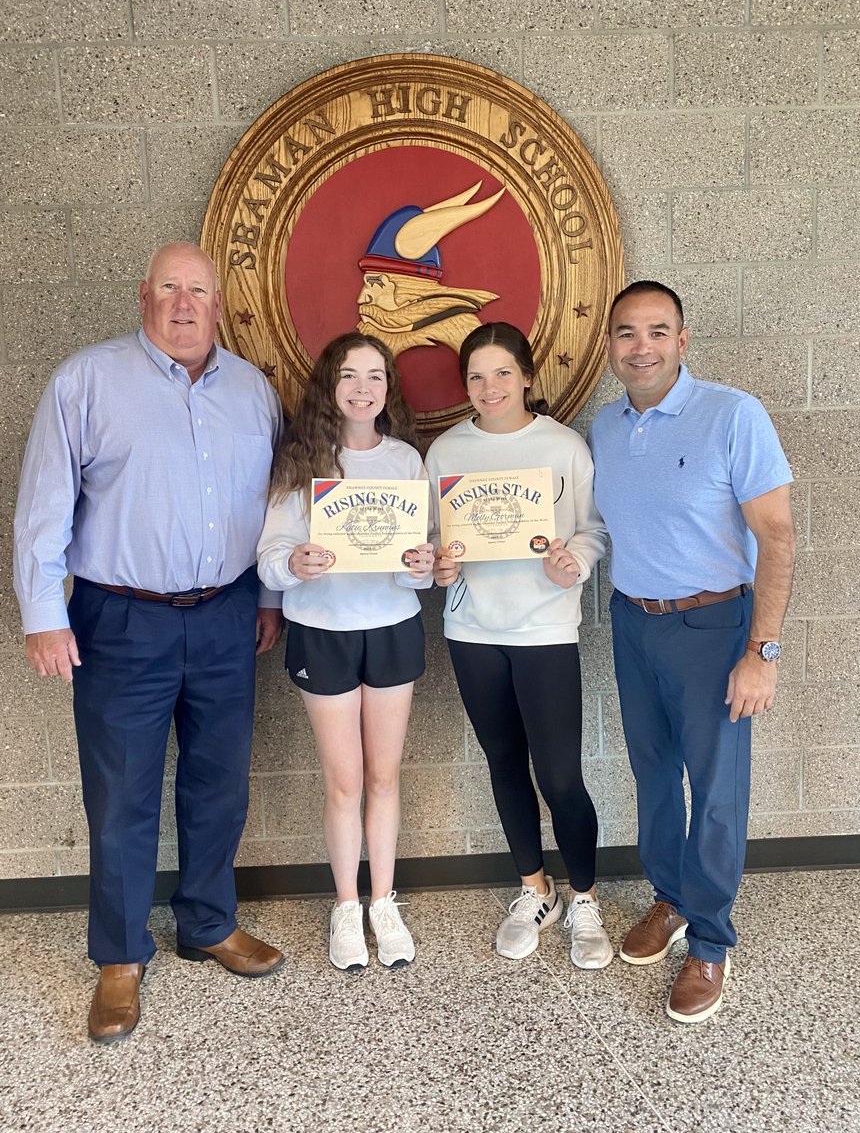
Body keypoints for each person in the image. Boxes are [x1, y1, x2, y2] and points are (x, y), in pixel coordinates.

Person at [13, 242, 286, 1045]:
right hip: (120, 619)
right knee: (122, 794)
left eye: (197, 290)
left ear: (218, 303)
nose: (183, 303)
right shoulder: (86, 380)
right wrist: (41, 611)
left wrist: (267, 595)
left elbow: (274, 503)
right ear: (144, 297)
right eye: (169, 288)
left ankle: (206, 921)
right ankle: (121, 957)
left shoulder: (251, 389)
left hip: (229, 614)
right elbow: (43, 505)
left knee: (218, 782)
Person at [589, 280, 796, 1024]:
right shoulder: (603, 427)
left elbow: (777, 535)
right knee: (652, 772)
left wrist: (761, 651)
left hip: (715, 630)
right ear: (609, 345)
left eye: (657, 331)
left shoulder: (732, 415)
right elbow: (604, 529)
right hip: (633, 620)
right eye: (625, 332)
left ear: (683, 340)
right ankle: (670, 898)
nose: (640, 346)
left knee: (714, 790)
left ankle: (710, 940)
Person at [426, 322, 611, 969]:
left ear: (528, 376)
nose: (489, 387)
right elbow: (429, 544)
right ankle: (536, 890)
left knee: (559, 775)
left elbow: (592, 530)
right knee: (504, 762)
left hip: (544, 629)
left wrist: (575, 562)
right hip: (473, 630)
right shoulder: (446, 452)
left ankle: (584, 898)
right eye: (476, 376)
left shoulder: (564, 448)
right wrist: (438, 569)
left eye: (502, 373)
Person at [257, 332, 433, 971]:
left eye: (376, 376)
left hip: (391, 628)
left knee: (384, 776)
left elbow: (423, 563)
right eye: (351, 376)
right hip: (321, 632)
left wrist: (420, 564)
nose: (364, 388)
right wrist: (294, 562)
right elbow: (269, 559)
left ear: (389, 388)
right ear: (329, 386)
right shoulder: (300, 462)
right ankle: (345, 906)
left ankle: (384, 902)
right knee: (344, 780)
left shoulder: (408, 463)